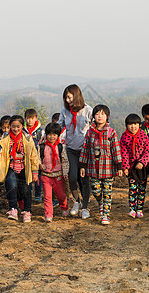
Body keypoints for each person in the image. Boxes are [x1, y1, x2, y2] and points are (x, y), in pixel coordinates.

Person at [79, 105, 123, 225]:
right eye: (97, 114)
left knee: (107, 192)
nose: (100, 116)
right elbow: (85, 149)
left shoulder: (111, 132)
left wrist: (119, 166)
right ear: (93, 116)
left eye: (103, 114)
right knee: (96, 191)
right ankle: (101, 203)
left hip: (108, 169)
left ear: (107, 117)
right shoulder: (90, 132)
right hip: (93, 168)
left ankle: (105, 215)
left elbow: (116, 150)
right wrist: (82, 165)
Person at [57, 84, 93, 218]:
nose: (67, 100)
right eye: (65, 98)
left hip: (85, 150)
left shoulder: (88, 110)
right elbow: (59, 126)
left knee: (84, 179)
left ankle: (85, 207)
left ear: (76, 96)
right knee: (72, 177)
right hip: (71, 148)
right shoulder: (64, 111)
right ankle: (76, 201)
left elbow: (96, 127)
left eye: (69, 97)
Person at [0, 115, 39, 222]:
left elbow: (34, 155)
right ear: (10, 126)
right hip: (10, 166)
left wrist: (35, 171)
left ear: (22, 126)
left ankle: (27, 211)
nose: (15, 129)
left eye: (18, 126)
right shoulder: (6, 138)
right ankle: (13, 209)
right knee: (11, 186)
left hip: (25, 167)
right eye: (13, 126)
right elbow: (1, 152)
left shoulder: (27, 138)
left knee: (26, 189)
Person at [120, 114, 149, 219]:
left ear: (139, 125)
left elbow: (148, 151)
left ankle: (140, 209)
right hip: (131, 167)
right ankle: (132, 209)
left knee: (142, 189)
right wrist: (125, 167)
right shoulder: (124, 136)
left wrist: (142, 162)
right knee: (132, 188)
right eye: (130, 124)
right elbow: (123, 153)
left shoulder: (143, 135)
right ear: (126, 125)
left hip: (142, 167)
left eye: (135, 124)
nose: (133, 127)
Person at [38, 123, 70, 222]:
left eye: (54, 134)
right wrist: (40, 165)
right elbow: (37, 158)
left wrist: (65, 172)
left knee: (61, 195)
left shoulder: (61, 147)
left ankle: (64, 207)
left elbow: (65, 160)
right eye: (50, 134)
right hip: (46, 175)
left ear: (58, 135)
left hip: (58, 175)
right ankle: (48, 214)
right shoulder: (42, 147)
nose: (52, 137)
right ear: (46, 135)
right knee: (47, 196)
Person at [24, 108, 44, 202]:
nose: (30, 120)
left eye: (32, 118)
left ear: (36, 118)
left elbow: (42, 144)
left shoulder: (40, 131)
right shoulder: (23, 130)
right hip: (26, 156)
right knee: (27, 175)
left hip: (37, 156)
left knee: (37, 176)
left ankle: (38, 194)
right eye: (28, 118)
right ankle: (28, 194)